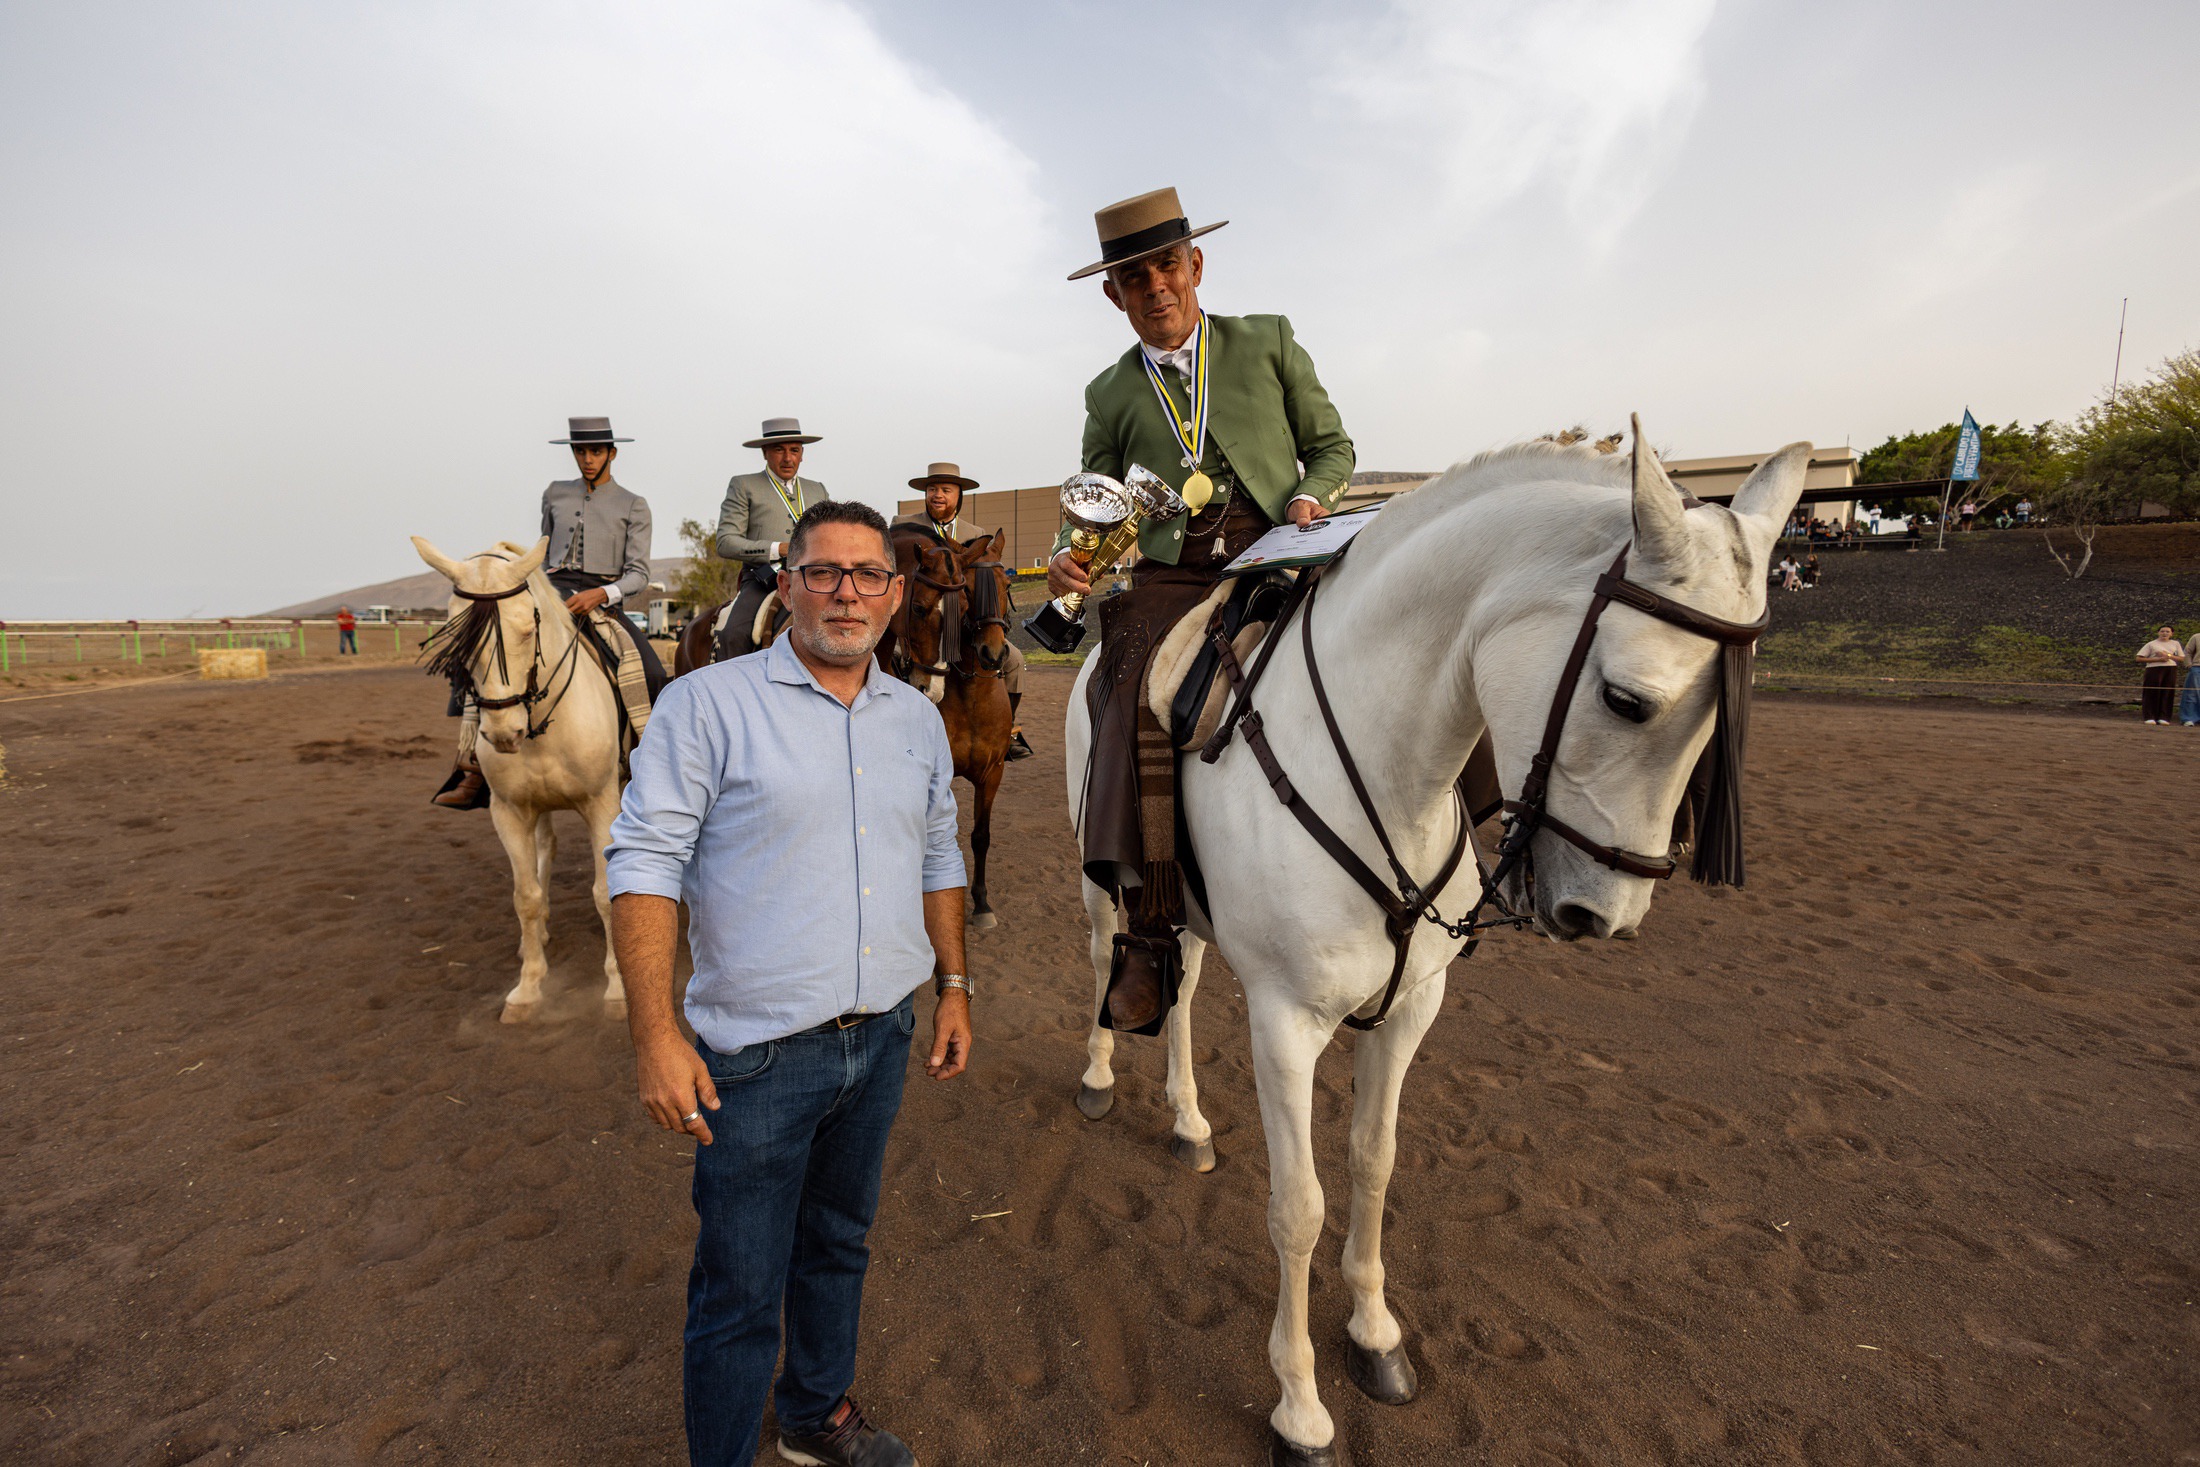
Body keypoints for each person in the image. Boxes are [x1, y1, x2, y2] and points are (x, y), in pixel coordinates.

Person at [609, 499, 971, 1467]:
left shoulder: (918, 718)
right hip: (757, 1058)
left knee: (840, 1241)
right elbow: (643, 862)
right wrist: (654, 1034)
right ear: (786, 583)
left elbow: (939, 851)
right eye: (823, 572)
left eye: (867, 574)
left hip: (883, 1037)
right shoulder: (707, 704)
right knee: (738, 1287)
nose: (846, 592)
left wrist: (955, 984)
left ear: (894, 593)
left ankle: (811, 1412)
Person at [1047, 186, 1356, 1033]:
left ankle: (1478, 839)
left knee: (1393, 635)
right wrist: (1071, 550)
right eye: (1134, 278)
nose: (1156, 287)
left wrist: (1312, 498)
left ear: (1195, 265)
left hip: (1280, 546)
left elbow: (1332, 446)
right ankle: (1149, 931)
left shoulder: (1267, 340)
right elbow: (1094, 501)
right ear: (1113, 294)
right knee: (1130, 690)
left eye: (1167, 267)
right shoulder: (1109, 392)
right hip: (1172, 575)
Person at [433, 417, 664, 809]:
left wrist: (600, 594)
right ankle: (471, 766)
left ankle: (649, 765)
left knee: (653, 672)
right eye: (580, 451)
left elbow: (639, 574)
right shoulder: (555, 493)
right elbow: (540, 555)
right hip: (549, 589)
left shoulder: (633, 504)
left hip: (601, 598)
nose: (587, 459)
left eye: (596, 452)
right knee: (481, 646)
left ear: (612, 453)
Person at [891, 461, 1033, 758]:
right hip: (917, 620)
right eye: (932, 489)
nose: (937, 495)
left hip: (961, 622)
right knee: (892, 658)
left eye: (945, 489)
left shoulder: (975, 533)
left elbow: (983, 583)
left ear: (959, 496)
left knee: (1014, 661)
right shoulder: (903, 525)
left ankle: (1007, 731)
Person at [713, 418, 830, 663]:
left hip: (813, 576)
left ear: (802, 454)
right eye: (779, 450)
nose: (788, 458)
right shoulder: (744, 485)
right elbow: (725, 542)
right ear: (765, 452)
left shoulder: (817, 490)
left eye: (794, 450)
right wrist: (778, 548)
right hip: (764, 577)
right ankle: (729, 683)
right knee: (734, 633)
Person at [2137, 624, 2188, 725]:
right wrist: (2158, 659)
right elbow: (2139, 658)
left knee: (2167, 692)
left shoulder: (2175, 643)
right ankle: (2150, 716)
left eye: (2167, 632)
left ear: (2171, 634)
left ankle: (2164, 717)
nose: (2165, 633)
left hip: (2170, 669)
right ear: (2158, 633)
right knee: (2152, 692)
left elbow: (2181, 658)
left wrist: (2168, 655)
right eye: (2162, 631)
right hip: (2154, 669)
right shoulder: (2151, 644)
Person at [2183, 627, 2200, 727]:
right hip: (2197, 667)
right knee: (2192, 694)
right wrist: (2189, 665)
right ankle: (2189, 718)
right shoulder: (2197, 637)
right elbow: (2187, 652)